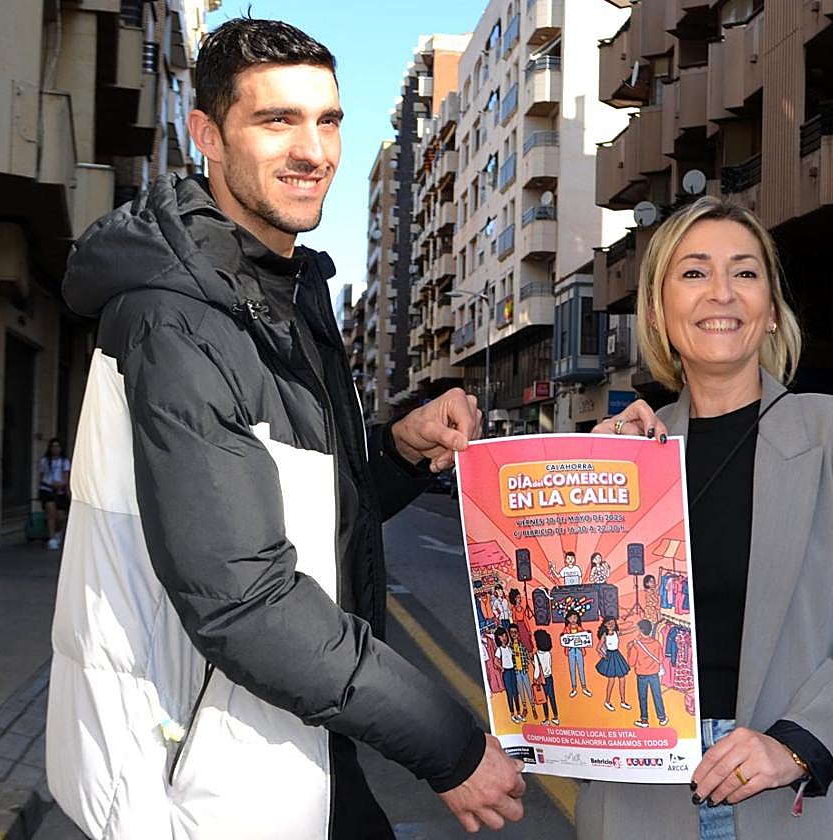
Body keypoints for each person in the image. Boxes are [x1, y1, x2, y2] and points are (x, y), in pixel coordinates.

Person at [46, 17, 525, 839]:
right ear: (205, 134)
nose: (314, 149)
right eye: (277, 120)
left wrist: (400, 452)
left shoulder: (277, 295)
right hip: (198, 774)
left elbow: (303, 513)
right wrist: (450, 747)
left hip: (287, 743)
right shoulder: (178, 317)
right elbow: (245, 600)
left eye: (328, 119)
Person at [581, 196, 833, 839]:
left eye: (744, 273)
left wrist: (794, 745)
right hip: (643, 803)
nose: (721, 293)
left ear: (770, 309)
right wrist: (590, 483)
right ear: (659, 309)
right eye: (694, 273)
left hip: (801, 799)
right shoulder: (625, 459)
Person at [626, 619, 667, 728]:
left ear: (641, 630)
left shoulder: (636, 645)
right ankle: (662, 718)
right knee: (657, 696)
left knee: (642, 697)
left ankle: (644, 720)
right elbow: (661, 658)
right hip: (654, 674)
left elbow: (631, 663)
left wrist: (629, 649)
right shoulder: (656, 643)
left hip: (642, 675)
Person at [37, 438, 70, 550]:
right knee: (51, 513)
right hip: (47, 489)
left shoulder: (64, 461)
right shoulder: (44, 461)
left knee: (60, 517)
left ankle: (57, 533)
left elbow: (66, 477)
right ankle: (51, 539)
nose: (55, 448)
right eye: (53, 446)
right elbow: (41, 477)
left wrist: (62, 485)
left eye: (57, 446)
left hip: (60, 491)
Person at [594, 615, 630, 712]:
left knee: (622, 679)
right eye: (609, 623)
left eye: (613, 623)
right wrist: (603, 655)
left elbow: (626, 631)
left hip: (617, 655)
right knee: (611, 680)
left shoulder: (616, 633)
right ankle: (607, 701)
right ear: (605, 624)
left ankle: (623, 701)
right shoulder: (604, 635)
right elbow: (598, 648)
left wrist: (636, 628)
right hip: (610, 656)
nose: (611, 625)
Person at [561, 609, 593, 698]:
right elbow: (564, 639)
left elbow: (585, 638)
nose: (573, 620)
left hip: (579, 650)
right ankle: (574, 688)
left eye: (575, 617)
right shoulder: (566, 629)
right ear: (568, 619)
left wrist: (587, 634)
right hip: (571, 650)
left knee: (581, 668)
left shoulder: (580, 628)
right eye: (571, 618)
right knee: (572, 669)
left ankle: (584, 687)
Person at [532, 629, 559, 726]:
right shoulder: (548, 653)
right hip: (549, 677)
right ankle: (556, 717)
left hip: (542, 680)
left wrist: (535, 678)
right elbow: (548, 666)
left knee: (544, 699)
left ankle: (546, 719)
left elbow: (537, 670)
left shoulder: (536, 655)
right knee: (552, 698)